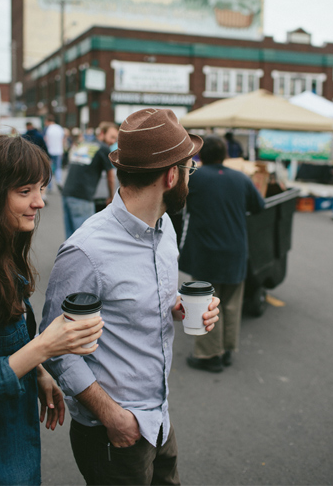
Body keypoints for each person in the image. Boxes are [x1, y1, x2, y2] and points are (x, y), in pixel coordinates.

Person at [40, 109, 219, 485]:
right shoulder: (87, 250)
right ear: (171, 176)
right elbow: (54, 347)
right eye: (190, 168)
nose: (191, 176)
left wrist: (178, 306)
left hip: (159, 418)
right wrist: (112, 416)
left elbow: (142, 300)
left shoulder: (164, 226)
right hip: (113, 430)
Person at [0, 133, 103, 485]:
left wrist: (36, 371)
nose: (39, 202)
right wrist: (42, 348)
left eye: (40, 188)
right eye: (24, 191)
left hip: (10, 449)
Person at [179, 135, 265, 373]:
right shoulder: (241, 178)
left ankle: (209, 355)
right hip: (235, 251)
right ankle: (227, 350)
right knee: (231, 304)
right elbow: (259, 206)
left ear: (201, 155)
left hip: (205, 253)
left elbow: (176, 205)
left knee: (205, 303)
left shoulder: (194, 177)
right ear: (225, 155)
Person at [62, 121, 118, 238]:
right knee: (84, 238)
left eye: (115, 139)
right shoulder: (104, 148)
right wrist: (111, 197)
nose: (113, 141)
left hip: (67, 192)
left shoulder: (84, 143)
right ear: (102, 133)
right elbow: (110, 177)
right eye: (112, 137)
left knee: (70, 238)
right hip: (82, 196)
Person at [44, 114, 66, 191]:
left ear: (48, 121)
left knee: (49, 168)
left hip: (50, 151)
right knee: (58, 167)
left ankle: (49, 185)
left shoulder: (47, 129)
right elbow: (63, 140)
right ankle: (59, 180)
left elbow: (45, 139)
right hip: (59, 151)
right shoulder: (59, 128)